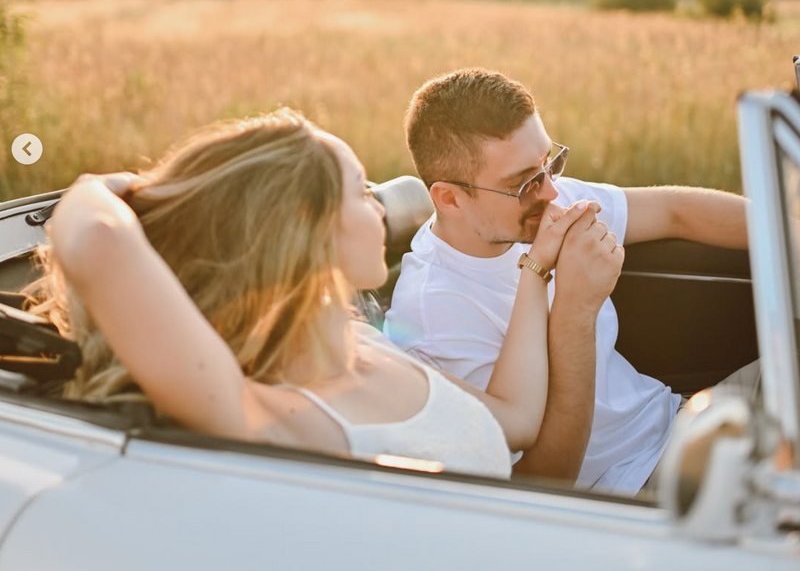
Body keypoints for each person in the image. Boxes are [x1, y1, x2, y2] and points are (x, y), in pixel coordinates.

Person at [31, 107, 599, 479]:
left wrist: (540, 271)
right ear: (303, 229)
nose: (381, 205)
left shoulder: (363, 344)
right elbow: (100, 236)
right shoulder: (267, 416)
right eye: (360, 190)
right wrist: (114, 188)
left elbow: (517, 419)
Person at [384, 68, 757, 495]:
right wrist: (575, 311)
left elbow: (677, 211)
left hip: (682, 417)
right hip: (634, 484)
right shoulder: (435, 320)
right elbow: (542, 482)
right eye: (523, 183)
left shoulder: (542, 196)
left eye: (548, 163)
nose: (547, 191)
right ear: (450, 199)